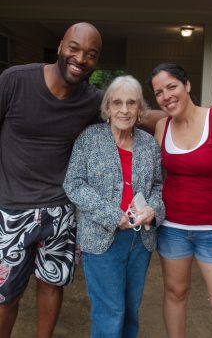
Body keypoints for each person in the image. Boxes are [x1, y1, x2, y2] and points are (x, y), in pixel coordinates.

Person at [0, 22, 104, 338]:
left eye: (91, 54)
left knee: (52, 284)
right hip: (11, 209)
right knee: (5, 295)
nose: (80, 58)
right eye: (74, 47)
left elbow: (135, 114)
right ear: (60, 46)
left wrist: (189, 114)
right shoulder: (15, 80)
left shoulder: (92, 100)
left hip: (60, 210)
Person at [63, 75, 165, 338]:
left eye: (131, 103)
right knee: (110, 312)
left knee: (131, 310)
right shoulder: (89, 139)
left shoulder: (149, 144)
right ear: (107, 108)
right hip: (101, 239)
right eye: (117, 103)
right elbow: (73, 183)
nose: (124, 110)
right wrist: (112, 215)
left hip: (139, 240)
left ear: (140, 109)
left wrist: (152, 210)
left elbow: (157, 185)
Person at [150, 62, 212, 338]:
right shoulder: (162, 126)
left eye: (172, 86)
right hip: (173, 229)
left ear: (187, 85)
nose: (166, 96)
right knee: (175, 293)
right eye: (159, 92)